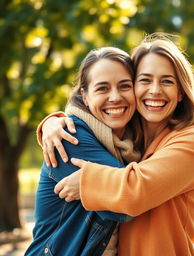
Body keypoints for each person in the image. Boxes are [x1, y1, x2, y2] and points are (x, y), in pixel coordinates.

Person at [38, 32, 194, 255]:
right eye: (144, 80)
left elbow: (135, 191)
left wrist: (86, 181)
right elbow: (91, 120)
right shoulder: (128, 140)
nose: (154, 90)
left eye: (167, 81)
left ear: (181, 91)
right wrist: (52, 122)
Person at [25, 47, 142, 256]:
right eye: (102, 89)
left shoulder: (132, 144)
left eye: (125, 86)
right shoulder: (69, 137)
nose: (115, 97)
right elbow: (128, 203)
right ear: (85, 97)